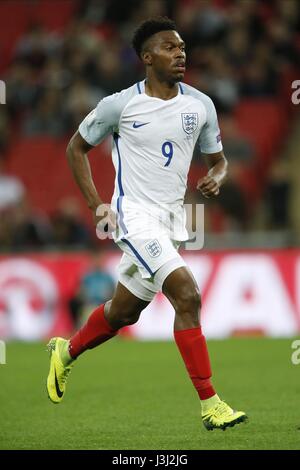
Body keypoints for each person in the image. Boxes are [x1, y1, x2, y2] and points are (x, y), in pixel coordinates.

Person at [46, 17, 247, 431]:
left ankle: (66, 351)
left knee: (124, 312)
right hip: (132, 217)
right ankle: (211, 403)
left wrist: (218, 177)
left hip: (172, 220)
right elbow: (76, 148)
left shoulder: (200, 105)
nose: (181, 54)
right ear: (147, 57)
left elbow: (220, 161)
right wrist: (97, 205)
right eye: (171, 48)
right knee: (187, 295)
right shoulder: (119, 105)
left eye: (183, 48)